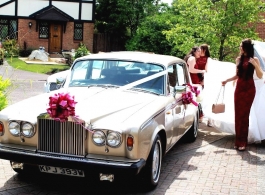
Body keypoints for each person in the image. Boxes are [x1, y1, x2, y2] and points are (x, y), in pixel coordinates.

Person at [221, 38, 263, 151]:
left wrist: (256, 65)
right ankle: (238, 140)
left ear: (246, 47)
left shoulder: (254, 59)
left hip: (249, 89)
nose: (239, 48)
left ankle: (243, 142)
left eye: (241, 46)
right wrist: (227, 80)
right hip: (239, 88)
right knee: (238, 115)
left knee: (245, 115)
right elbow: (237, 75)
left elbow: (260, 76)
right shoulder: (238, 59)